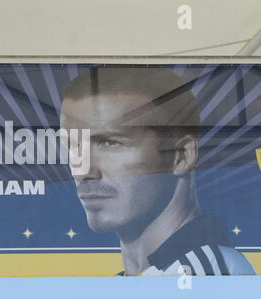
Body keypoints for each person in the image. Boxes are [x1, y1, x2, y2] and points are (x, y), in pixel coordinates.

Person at [60, 66, 256, 276]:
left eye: (110, 143)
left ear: (182, 155)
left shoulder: (204, 278)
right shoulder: (169, 277)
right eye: (73, 146)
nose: (83, 172)